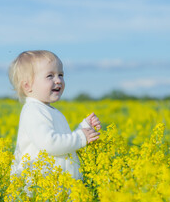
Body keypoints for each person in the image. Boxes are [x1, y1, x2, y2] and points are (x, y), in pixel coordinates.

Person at [8, 50, 101, 180]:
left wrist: (84, 128)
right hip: (38, 190)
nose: (58, 80)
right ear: (28, 86)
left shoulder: (49, 110)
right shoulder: (33, 111)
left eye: (61, 74)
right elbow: (49, 143)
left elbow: (63, 142)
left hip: (58, 189)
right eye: (50, 76)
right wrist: (80, 137)